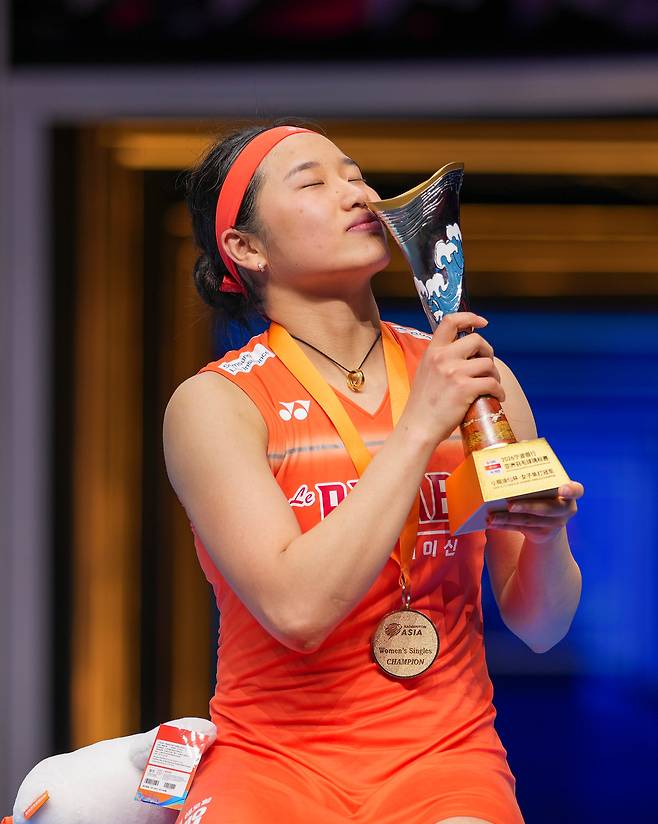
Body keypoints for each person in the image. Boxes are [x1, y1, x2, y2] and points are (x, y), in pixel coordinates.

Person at [163, 121, 584, 824]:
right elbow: (297, 612)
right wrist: (421, 425)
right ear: (247, 248)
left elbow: (541, 626)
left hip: (446, 762)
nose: (354, 191)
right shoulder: (218, 403)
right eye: (313, 181)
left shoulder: (476, 380)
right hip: (271, 764)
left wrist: (544, 539)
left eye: (355, 174)